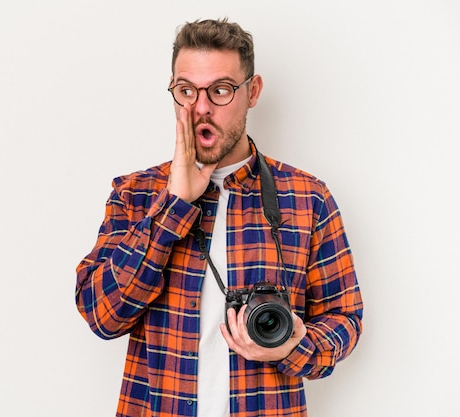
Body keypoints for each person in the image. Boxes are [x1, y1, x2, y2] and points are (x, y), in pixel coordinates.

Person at [75, 18, 363, 417]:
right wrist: (174, 205)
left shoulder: (307, 197)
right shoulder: (136, 194)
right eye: (186, 90)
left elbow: (344, 317)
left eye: (221, 90)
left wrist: (295, 347)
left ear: (253, 92)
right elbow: (103, 316)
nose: (201, 107)